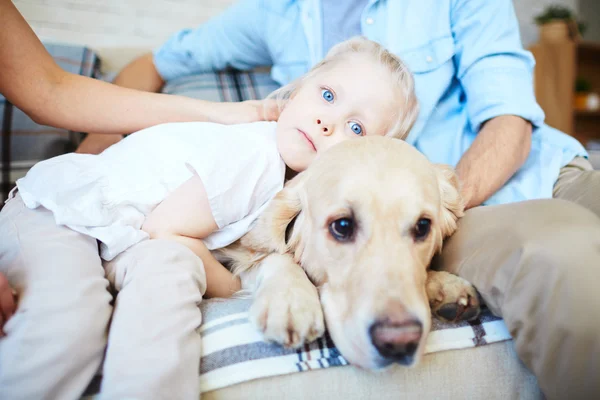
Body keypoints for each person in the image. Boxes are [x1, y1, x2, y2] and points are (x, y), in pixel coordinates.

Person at [77, 1, 600, 398]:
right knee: (573, 260)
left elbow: (510, 123)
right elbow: (156, 62)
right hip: (473, 218)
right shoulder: (276, 12)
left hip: (502, 183)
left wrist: (431, 210)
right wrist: (89, 156)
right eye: (325, 97)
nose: (329, 118)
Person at [0, 37, 419, 399]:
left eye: (356, 128)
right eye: (327, 96)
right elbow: (164, 230)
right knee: (68, 319)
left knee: (171, 278)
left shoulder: (293, 188)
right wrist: (236, 287)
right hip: (61, 213)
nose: (327, 123)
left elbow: (166, 242)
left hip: (124, 237)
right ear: (297, 91)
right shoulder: (254, 158)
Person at [0, 0, 281, 336]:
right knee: (64, 326)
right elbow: (167, 228)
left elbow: (50, 90)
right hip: (60, 204)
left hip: (124, 232)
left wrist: (219, 113)